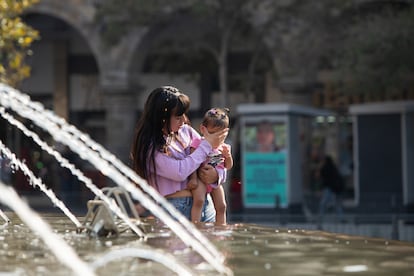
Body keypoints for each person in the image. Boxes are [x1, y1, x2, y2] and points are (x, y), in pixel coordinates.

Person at [130, 86, 228, 223]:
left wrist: (217, 175)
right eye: (177, 117)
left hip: (205, 204)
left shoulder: (186, 132)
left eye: (183, 114)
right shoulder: (150, 147)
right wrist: (207, 144)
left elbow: (213, 157)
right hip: (175, 208)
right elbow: (179, 171)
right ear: (162, 118)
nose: (183, 121)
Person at [187, 107, 233, 225]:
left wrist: (228, 156)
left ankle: (221, 228)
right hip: (200, 179)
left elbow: (228, 166)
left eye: (221, 135)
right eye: (212, 134)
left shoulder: (224, 147)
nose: (216, 138)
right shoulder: (198, 143)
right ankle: (196, 226)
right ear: (203, 129)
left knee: (222, 206)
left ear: (226, 132)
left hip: (215, 182)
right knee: (199, 200)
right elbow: (191, 162)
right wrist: (193, 179)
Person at [317, 155, 344, 223]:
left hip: (329, 189)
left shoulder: (325, 168)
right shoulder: (333, 168)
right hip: (334, 189)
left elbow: (322, 176)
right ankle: (340, 218)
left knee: (323, 204)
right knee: (336, 204)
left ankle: (321, 218)